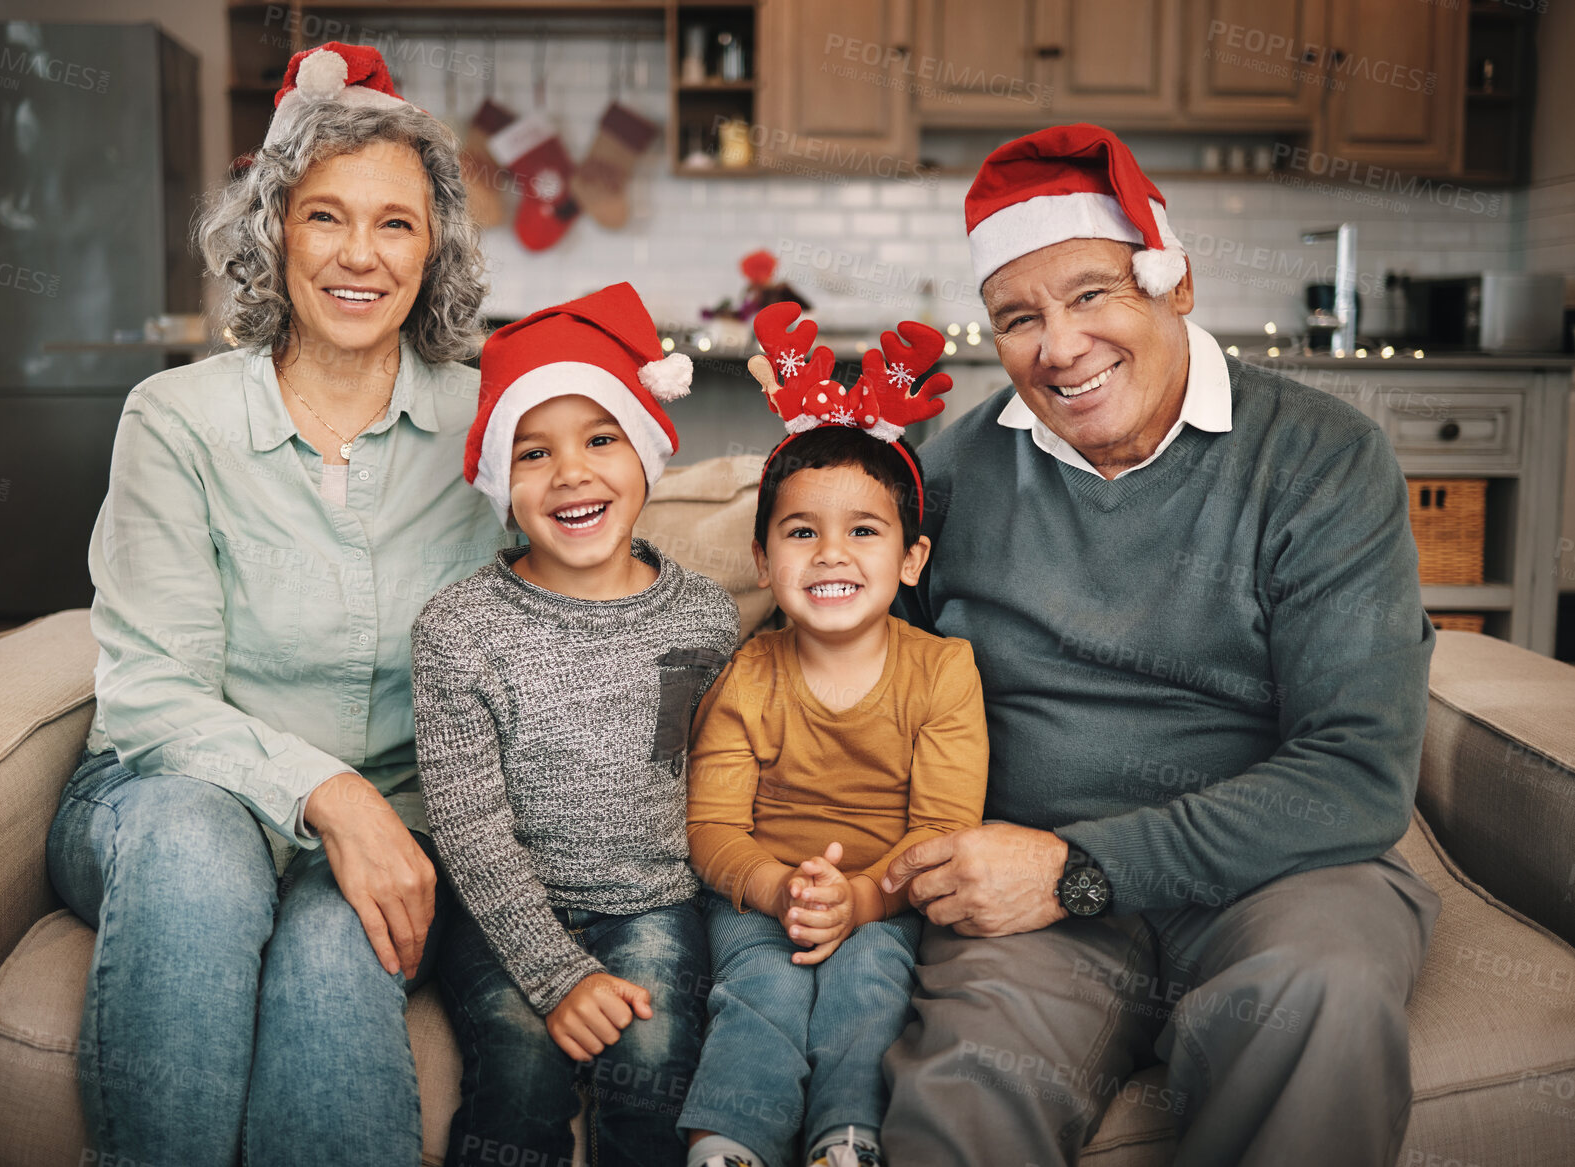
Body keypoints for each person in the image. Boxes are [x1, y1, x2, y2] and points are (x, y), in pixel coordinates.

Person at [877, 123, 1442, 1166]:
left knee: (1320, 1001)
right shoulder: (943, 472)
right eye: (1018, 318)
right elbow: (860, 688)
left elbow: (1358, 777)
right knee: (962, 1095)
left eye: (1092, 295)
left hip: (1280, 876)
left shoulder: (1319, 458)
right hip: (1028, 900)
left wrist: (1081, 868)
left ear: (1172, 285)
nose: (1058, 347)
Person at [45, 43, 503, 1166]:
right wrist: (332, 795)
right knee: (200, 850)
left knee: (335, 954)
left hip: (402, 823)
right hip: (169, 799)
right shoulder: (176, 419)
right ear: (274, 231)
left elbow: (598, 581)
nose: (359, 255)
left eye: (395, 223)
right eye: (324, 218)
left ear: (433, 244)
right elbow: (152, 697)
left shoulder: (493, 427)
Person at [412, 282, 741, 1167]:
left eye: (601, 438)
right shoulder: (459, 630)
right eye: (533, 452)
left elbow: (726, 769)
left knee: (656, 1063)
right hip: (501, 907)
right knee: (518, 1069)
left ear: (644, 456)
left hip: (654, 900)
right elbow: (468, 828)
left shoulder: (706, 620)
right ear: (500, 483)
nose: (572, 473)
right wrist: (557, 974)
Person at [675, 305, 989, 1167]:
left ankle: (844, 1141)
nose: (830, 555)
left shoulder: (943, 671)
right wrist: (780, 889)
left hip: (888, 896)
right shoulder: (749, 670)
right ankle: (727, 1142)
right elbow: (709, 828)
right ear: (764, 556)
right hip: (759, 894)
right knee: (758, 985)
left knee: (870, 985)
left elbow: (941, 829)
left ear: (911, 559)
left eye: (863, 531)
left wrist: (861, 900)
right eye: (801, 532)